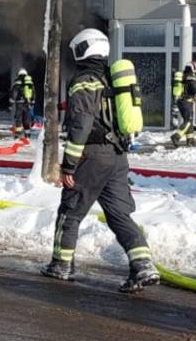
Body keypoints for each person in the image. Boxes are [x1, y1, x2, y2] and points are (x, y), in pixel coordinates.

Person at [40, 28, 160, 293]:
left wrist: (69, 165)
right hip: (117, 156)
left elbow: (81, 126)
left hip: (91, 155)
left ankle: (61, 265)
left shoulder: (84, 81)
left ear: (84, 49)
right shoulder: (111, 79)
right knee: (119, 214)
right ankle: (143, 265)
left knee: (70, 211)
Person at [170, 61, 196, 147]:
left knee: (188, 120)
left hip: (181, 101)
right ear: (193, 68)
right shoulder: (191, 77)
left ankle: (190, 140)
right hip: (187, 102)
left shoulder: (183, 76)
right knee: (188, 121)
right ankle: (176, 136)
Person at [11, 69, 35, 139]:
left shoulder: (17, 82)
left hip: (19, 103)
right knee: (26, 118)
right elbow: (33, 93)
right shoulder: (30, 82)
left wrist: (11, 103)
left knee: (18, 118)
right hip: (27, 103)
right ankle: (27, 134)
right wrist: (32, 102)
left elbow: (14, 93)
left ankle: (18, 134)